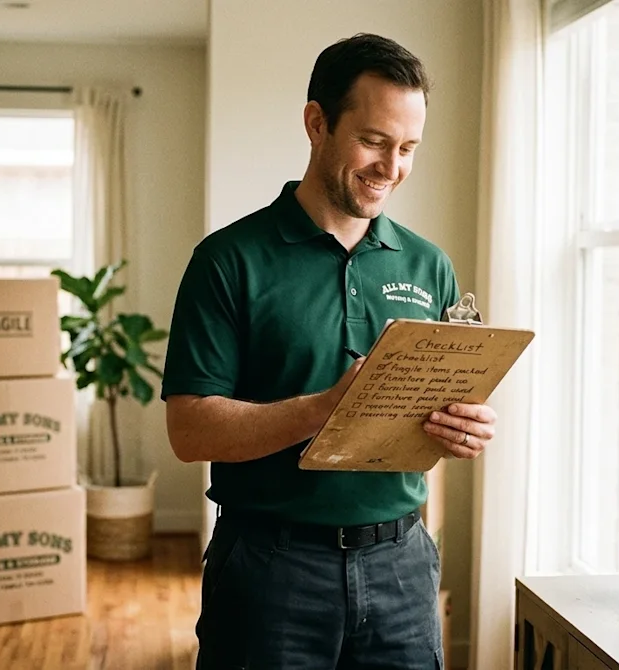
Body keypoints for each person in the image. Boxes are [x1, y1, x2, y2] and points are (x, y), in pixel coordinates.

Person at [161, 32, 497, 670]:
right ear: (317, 123)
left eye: (408, 148)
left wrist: (464, 426)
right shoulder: (227, 261)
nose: (391, 168)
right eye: (373, 140)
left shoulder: (430, 266)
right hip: (269, 570)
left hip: (402, 567)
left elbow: (440, 407)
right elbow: (189, 430)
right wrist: (327, 407)